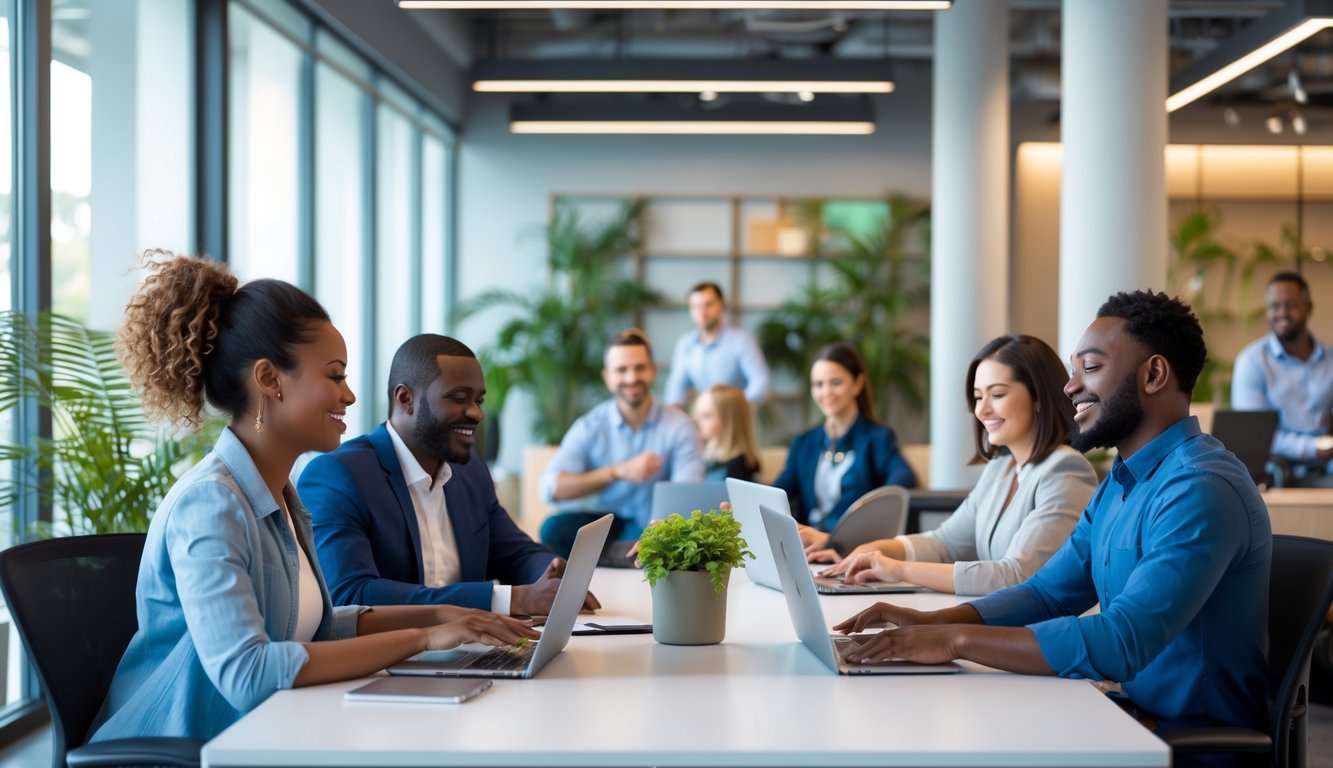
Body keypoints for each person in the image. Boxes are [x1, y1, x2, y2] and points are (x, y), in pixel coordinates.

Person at [90, 254, 536, 743]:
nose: (349, 396)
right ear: (269, 380)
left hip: (267, 732)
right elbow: (248, 672)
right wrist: (425, 637)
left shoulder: (280, 495)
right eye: (335, 375)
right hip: (189, 747)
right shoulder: (211, 505)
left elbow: (312, 629)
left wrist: (443, 615)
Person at [835, 291, 1271, 736]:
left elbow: (1122, 641)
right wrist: (935, 621)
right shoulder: (1121, 481)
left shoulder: (1200, 487)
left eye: (1091, 367)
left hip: (1188, 741)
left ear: (1154, 374)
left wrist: (954, 640)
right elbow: (1048, 594)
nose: (1070, 386)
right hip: (1131, 714)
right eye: (1073, 369)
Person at [300, 334, 596, 616]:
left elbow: (515, 553)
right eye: (459, 398)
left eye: (478, 400)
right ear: (405, 398)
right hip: (394, 651)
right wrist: (510, 599)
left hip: (474, 645)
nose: (477, 413)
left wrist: (551, 572)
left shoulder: (471, 471)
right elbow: (350, 595)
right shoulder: (339, 475)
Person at [814, 335, 1097, 595]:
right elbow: (945, 544)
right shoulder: (1001, 469)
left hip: (1041, 630)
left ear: (1038, 397)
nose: (982, 410)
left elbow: (1016, 575)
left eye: (997, 394)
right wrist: (876, 550)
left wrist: (900, 570)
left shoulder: (1065, 470)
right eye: (978, 397)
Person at [540, 328, 705, 558]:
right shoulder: (590, 425)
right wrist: (617, 471)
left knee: (658, 538)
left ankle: (618, 555)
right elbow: (551, 488)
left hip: (654, 525)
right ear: (607, 377)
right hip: (603, 524)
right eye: (621, 370)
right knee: (553, 529)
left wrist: (662, 530)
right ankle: (623, 555)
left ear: (652, 370)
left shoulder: (680, 425)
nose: (631, 378)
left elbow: (687, 495)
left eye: (639, 368)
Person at [773, 342, 917, 550]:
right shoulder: (805, 442)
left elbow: (902, 477)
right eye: (818, 384)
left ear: (857, 384)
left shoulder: (878, 438)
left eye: (836, 382)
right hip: (808, 549)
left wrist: (873, 515)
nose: (826, 392)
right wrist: (746, 506)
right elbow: (779, 492)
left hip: (853, 549)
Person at [1232, 271, 1333, 486]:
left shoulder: (1330, 359)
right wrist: (1316, 447)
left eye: (1291, 305)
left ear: (1309, 307)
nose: (1282, 313)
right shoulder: (1252, 362)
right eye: (1274, 306)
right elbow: (1255, 436)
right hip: (1279, 473)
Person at [663, 282, 771, 408]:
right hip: (703, 415)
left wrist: (739, 408)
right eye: (695, 306)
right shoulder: (686, 344)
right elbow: (677, 384)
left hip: (735, 413)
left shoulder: (742, 341)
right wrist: (675, 410)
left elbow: (761, 382)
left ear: (721, 304)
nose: (702, 312)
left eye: (708, 304)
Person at [693, 383, 760, 482]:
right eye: (697, 414)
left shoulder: (738, 468)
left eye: (706, 415)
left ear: (728, 421)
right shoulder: (703, 455)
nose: (697, 420)